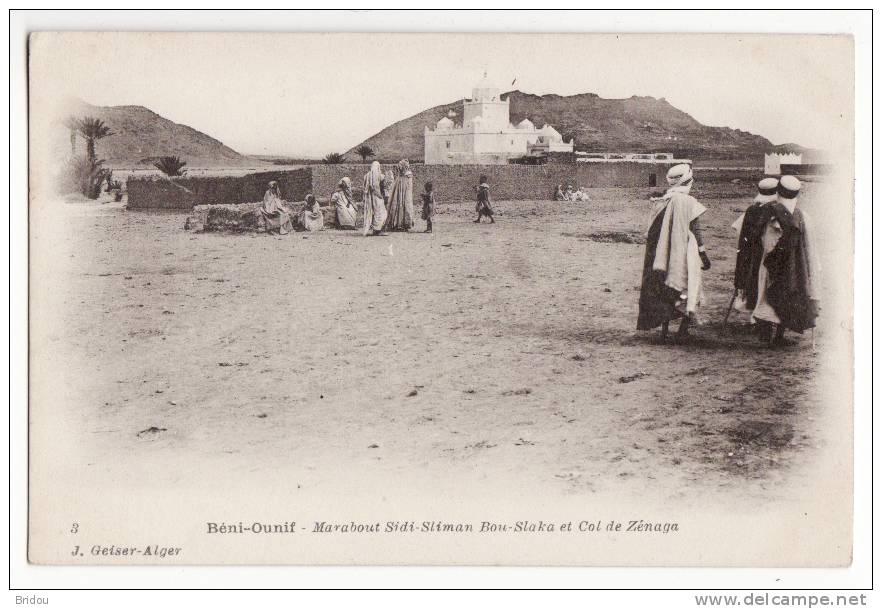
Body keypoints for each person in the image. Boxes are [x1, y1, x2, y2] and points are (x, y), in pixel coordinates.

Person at [636, 163, 711, 341]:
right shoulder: (688, 202)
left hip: (661, 254)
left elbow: (652, 231)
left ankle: (664, 330)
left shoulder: (661, 200)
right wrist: (703, 254)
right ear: (688, 181)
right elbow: (696, 230)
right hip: (684, 251)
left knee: (665, 287)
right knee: (689, 285)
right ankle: (683, 329)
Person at [750, 175, 820, 345]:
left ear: (779, 191)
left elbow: (756, 237)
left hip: (769, 262)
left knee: (766, 294)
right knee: (787, 294)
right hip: (792, 266)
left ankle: (765, 330)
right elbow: (809, 246)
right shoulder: (802, 216)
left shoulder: (768, 211)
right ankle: (779, 335)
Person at [730, 177, 779, 321]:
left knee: (752, 281)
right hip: (765, 253)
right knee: (765, 284)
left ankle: (754, 316)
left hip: (749, 254)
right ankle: (762, 318)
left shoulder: (752, 209)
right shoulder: (774, 210)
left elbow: (739, 230)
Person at [384, 159, 415, 231]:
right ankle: (397, 224)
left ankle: (403, 224)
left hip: (404, 195)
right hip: (398, 194)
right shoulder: (400, 176)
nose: (399, 168)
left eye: (400, 166)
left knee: (404, 206)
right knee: (396, 205)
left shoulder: (407, 176)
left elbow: (408, 188)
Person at [362, 161, 388, 236]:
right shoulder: (380, 175)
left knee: (372, 213)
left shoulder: (367, 175)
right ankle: (377, 230)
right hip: (377, 197)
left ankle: (375, 230)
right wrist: (382, 196)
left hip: (369, 198)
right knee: (381, 213)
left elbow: (365, 188)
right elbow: (382, 187)